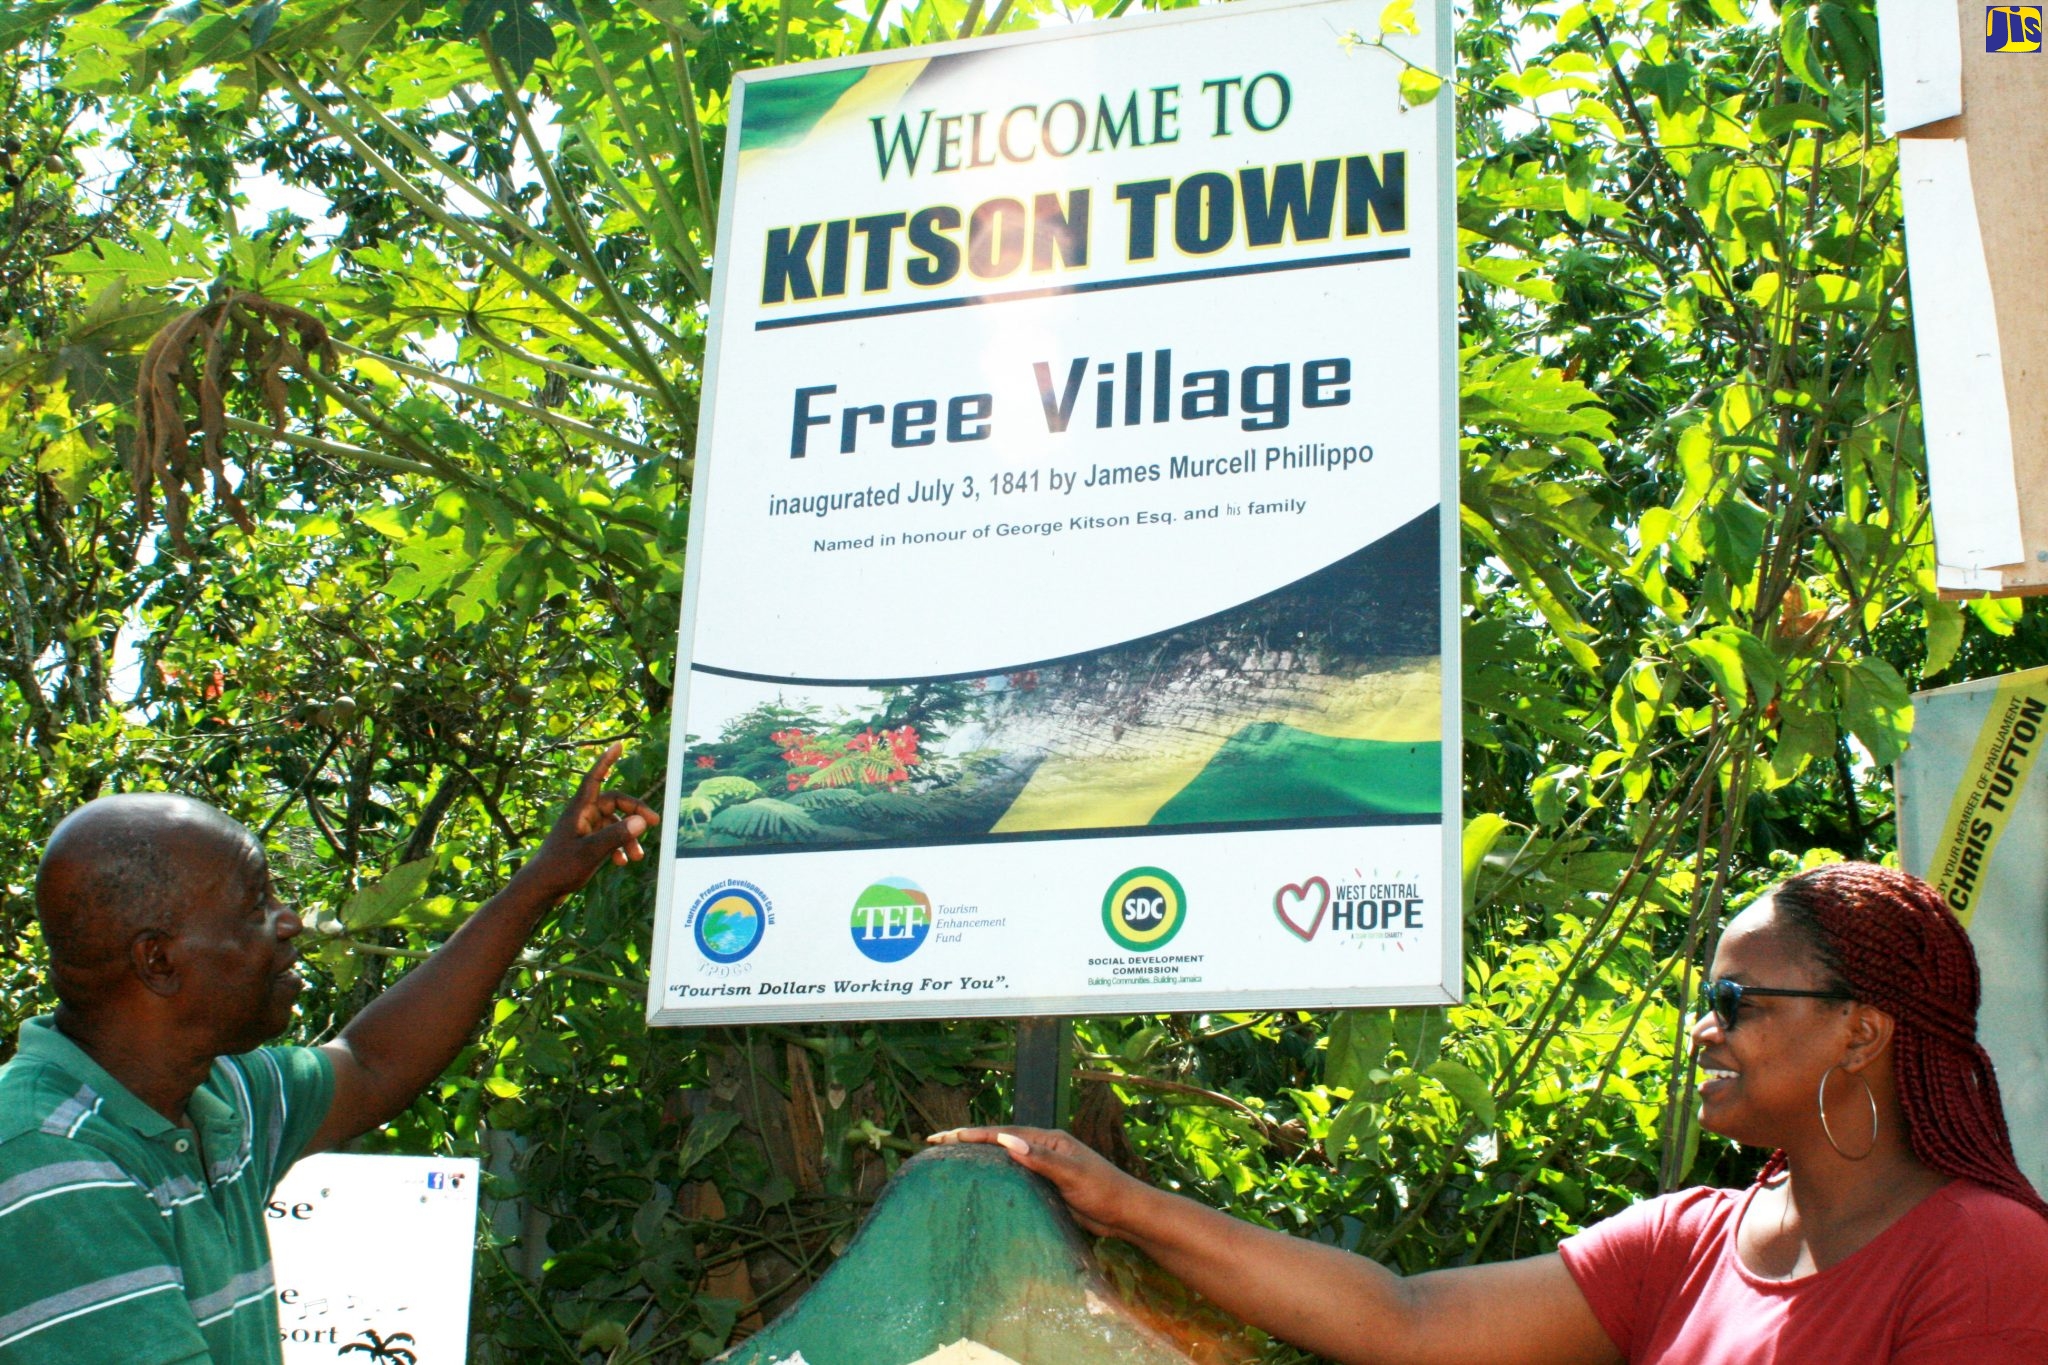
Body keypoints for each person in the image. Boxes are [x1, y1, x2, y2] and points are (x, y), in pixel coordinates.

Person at [934, 862, 2048, 1363]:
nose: (1700, 1030)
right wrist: (1119, 1201)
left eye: (1732, 1001)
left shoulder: (1984, 1257)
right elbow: (1400, 1320)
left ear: (1860, 1032)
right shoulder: (1687, 1241)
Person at [0, 743, 657, 1364]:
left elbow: (372, 1063)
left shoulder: (209, 1094)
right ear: (160, 960)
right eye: (257, 903)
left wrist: (541, 882)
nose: (290, 921)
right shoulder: (53, 1164)